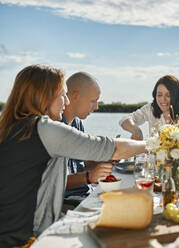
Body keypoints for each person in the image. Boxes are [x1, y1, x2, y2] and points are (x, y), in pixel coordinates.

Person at [0, 65, 146, 247]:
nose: (66, 102)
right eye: (62, 95)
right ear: (44, 95)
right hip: (25, 239)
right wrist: (153, 144)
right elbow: (111, 147)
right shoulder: (44, 129)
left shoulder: (14, 127)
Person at [33, 72, 113, 236]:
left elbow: (80, 164)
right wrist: (89, 177)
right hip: (66, 202)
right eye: (93, 101)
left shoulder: (77, 123)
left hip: (86, 193)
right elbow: (53, 182)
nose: (96, 107)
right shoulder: (52, 127)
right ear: (75, 96)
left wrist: (104, 160)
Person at [119, 75, 179, 139]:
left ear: (176, 96)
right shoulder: (150, 109)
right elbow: (125, 119)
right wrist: (136, 130)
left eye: (168, 95)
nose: (163, 99)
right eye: (159, 95)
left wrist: (167, 132)